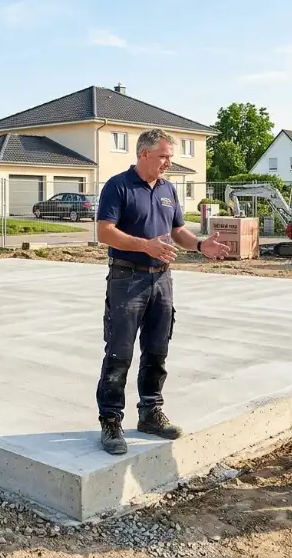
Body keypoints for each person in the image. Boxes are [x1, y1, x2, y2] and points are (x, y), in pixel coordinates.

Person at [94, 128, 230, 455]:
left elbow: (177, 230)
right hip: (128, 279)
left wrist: (199, 244)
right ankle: (111, 420)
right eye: (164, 156)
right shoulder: (118, 187)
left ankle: (150, 413)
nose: (169, 162)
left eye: (170, 156)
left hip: (162, 280)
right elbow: (104, 232)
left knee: (157, 350)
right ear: (144, 154)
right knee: (119, 353)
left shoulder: (168, 188)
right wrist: (146, 246)